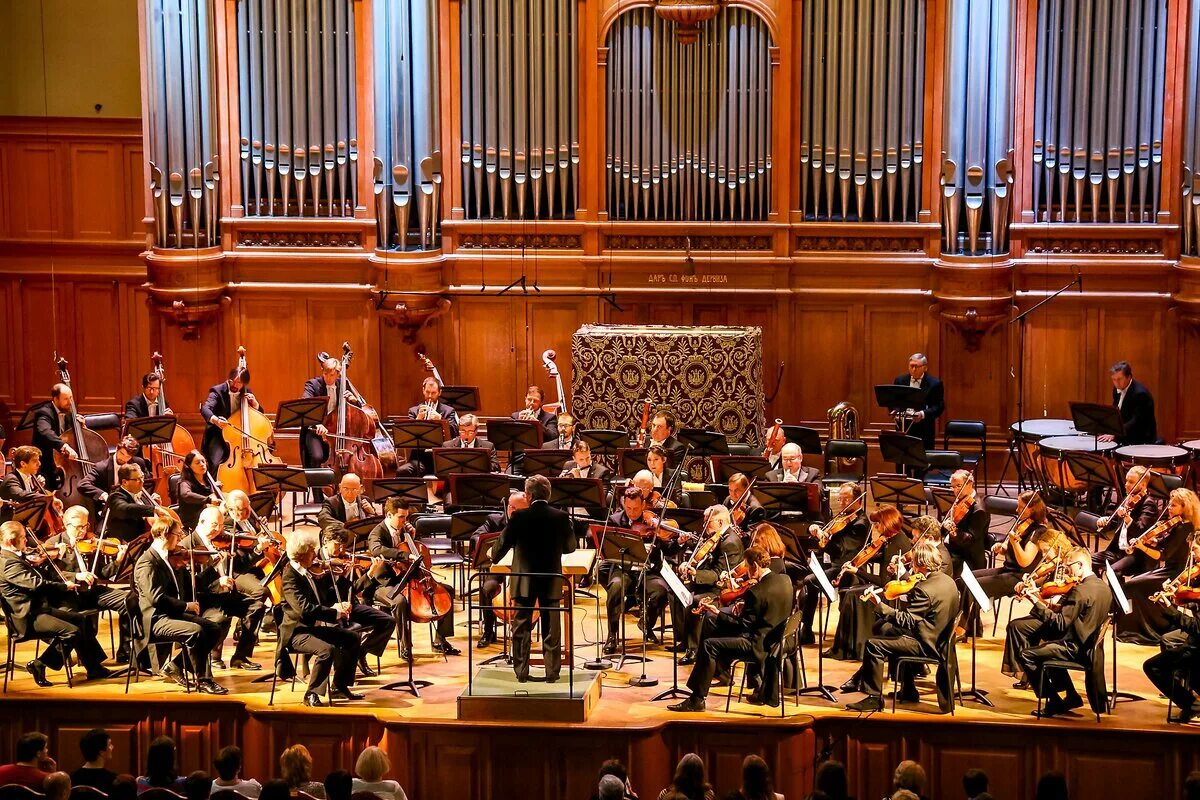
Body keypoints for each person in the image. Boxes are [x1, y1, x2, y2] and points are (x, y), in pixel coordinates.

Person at [668, 546, 792, 712]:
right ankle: (723, 673)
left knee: (708, 645)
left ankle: (697, 699)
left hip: (758, 645)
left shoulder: (755, 592)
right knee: (715, 629)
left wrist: (717, 612)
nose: (747, 571)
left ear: (755, 565)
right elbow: (770, 607)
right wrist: (747, 607)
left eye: (747, 567)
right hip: (776, 640)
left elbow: (742, 627)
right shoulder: (785, 580)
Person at [844, 541, 960, 713]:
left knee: (873, 645)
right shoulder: (948, 581)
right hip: (940, 636)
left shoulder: (925, 589)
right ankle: (908, 690)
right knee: (885, 629)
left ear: (919, 564)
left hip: (927, 643)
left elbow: (907, 620)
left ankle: (874, 698)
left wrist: (880, 605)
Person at [0, 520, 112, 684]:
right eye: (23, 538)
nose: (27, 541)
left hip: (39, 609)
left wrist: (40, 561)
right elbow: (36, 585)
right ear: (11, 541)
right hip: (26, 617)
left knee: (80, 619)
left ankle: (94, 668)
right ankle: (41, 664)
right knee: (71, 631)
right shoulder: (8, 563)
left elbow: (30, 571)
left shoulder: (14, 556)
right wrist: (64, 586)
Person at [489, 474, 577, 682]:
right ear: (549, 494)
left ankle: (521, 672)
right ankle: (552, 673)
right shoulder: (561, 517)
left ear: (527, 496)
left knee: (521, 626)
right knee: (551, 626)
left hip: (524, 578)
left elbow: (501, 546)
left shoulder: (519, 517)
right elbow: (570, 547)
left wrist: (493, 555)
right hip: (551, 578)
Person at [1008, 546, 1112, 717]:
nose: (1067, 571)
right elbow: (1079, 612)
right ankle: (1071, 696)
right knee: (1046, 645)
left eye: (1069, 566)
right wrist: (1048, 604)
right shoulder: (1103, 586)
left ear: (1080, 564)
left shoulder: (1080, 590)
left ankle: (1054, 701)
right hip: (1089, 646)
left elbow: (1060, 625)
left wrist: (1035, 601)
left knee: (1027, 655)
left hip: (1075, 648)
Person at [133, 515, 227, 693]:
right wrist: (186, 606)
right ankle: (204, 679)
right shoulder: (147, 562)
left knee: (213, 629)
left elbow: (193, 584)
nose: (180, 538)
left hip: (171, 613)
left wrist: (212, 566)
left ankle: (175, 665)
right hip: (156, 619)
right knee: (196, 632)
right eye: (177, 534)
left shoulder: (168, 558)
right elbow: (156, 598)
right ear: (164, 535)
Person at [278, 531, 367, 706]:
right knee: (327, 650)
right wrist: (335, 612)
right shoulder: (290, 578)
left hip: (310, 628)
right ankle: (311, 694)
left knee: (351, 638)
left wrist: (338, 600)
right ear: (302, 555)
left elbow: (321, 598)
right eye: (312, 551)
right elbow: (305, 609)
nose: (315, 555)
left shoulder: (307, 572)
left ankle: (339, 686)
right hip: (296, 631)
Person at [366, 497, 458, 657]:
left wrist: (411, 537)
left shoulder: (405, 530)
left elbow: (416, 550)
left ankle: (440, 640)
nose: (404, 521)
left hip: (408, 578)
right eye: (401, 517)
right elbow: (376, 550)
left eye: (406, 517)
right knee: (399, 601)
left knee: (447, 591)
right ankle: (405, 646)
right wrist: (405, 555)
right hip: (384, 582)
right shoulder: (377, 532)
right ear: (388, 515)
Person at [183, 505, 267, 670]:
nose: (219, 530)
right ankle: (203, 659)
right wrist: (218, 582)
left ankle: (240, 657)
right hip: (204, 598)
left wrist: (257, 549)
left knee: (256, 607)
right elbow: (189, 583)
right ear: (201, 522)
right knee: (220, 619)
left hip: (224, 595)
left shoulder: (218, 541)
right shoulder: (188, 546)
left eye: (221, 525)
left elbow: (239, 567)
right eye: (214, 525)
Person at [1117, 488, 1200, 644]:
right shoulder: (1176, 525)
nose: (1169, 508)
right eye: (1169, 504)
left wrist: (1142, 547)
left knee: (1134, 585)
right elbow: (1162, 544)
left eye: (1174, 506)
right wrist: (1151, 541)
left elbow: (1162, 555)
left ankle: (1148, 630)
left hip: (1174, 572)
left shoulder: (1184, 528)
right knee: (1134, 583)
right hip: (1167, 568)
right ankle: (1136, 627)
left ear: (1185, 508)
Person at [675, 506, 746, 664]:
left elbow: (717, 575)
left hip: (721, 588)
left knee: (693, 601)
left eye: (707, 521)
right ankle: (685, 639)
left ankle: (693, 649)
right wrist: (689, 564)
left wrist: (695, 574)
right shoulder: (717, 536)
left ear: (720, 522)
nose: (704, 526)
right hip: (708, 582)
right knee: (676, 592)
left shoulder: (730, 543)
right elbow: (703, 560)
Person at [800, 483, 868, 642]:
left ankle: (807, 630)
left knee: (810, 581)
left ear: (857, 500)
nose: (842, 503)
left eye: (846, 499)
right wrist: (816, 528)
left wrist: (823, 539)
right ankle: (805, 627)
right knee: (803, 576)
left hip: (846, 568)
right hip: (830, 562)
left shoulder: (860, 525)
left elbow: (839, 550)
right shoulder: (842, 516)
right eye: (841, 499)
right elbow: (829, 528)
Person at [468, 491, 529, 647]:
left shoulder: (532, 522)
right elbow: (476, 536)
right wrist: (495, 540)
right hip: (500, 567)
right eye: (512, 508)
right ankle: (489, 631)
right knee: (487, 589)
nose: (514, 512)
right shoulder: (495, 520)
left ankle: (525, 630)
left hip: (524, 569)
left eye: (520, 509)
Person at [1143, 571, 1200, 723]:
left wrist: (1170, 609)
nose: (1193, 549)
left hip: (1197, 649)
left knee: (1152, 667)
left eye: (1196, 546)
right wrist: (1175, 600)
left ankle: (1191, 704)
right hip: (1194, 643)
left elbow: (1197, 628)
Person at [300, 357, 372, 468]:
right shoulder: (313, 385)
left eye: (332, 375)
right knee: (317, 457)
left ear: (338, 374)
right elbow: (305, 404)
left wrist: (354, 401)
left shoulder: (343, 385)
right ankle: (316, 485)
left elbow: (357, 412)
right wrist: (317, 423)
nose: (328, 378)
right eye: (325, 374)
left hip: (337, 432)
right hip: (316, 430)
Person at [1092, 466, 1161, 572]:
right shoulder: (1128, 499)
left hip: (1136, 554)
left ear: (1142, 485)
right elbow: (1115, 521)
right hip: (1118, 551)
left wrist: (1127, 518)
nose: (1126, 485)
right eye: (1126, 481)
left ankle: (1121, 588)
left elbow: (1141, 532)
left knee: (1114, 571)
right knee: (1088, 561)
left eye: (1131, 482)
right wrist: (1104, 521)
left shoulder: (1148, 504)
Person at [200, 365, 261, 477]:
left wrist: (256, 405)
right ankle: (215, 490)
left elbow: (258, 416)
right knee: (216, 462)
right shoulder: (217, 391)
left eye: (240, 383)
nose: (235, 385)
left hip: (239, 436)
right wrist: (216, 420)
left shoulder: (246, 392)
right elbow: (206, 408)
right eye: (233, 381)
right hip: (218, 434)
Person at [397, 378, 460, 476]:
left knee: (454, 472)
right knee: (403, 471)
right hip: (420, 458)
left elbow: (454, 433)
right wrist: (418, 419)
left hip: (441, 458)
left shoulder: (449, 411)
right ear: (423, 391)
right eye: (427, 392)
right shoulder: (413, 411)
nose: (430, 396)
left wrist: (440, 419)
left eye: (433, 393)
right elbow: (407, 437)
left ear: (439, 392)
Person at [31, 384, 82, 490]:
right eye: (66, 399)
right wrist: (64, 446)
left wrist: (82, 426)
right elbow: (45, 432)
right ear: (55, 399)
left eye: (71, 398)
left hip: (64, 463)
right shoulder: (44, 413)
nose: (70, 402)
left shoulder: (69, 412)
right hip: (46, 463)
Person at [79, 436, 150, 512]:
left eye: (128, 456)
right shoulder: (102, 467)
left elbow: (146, 483)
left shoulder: (138, 463)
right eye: (122, 453)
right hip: (112, 510)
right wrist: (105, 496)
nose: (123, 458)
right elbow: (82, 484)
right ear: (117, 449)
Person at [941, 470, 989, 577]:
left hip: (967, 556)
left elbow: (970, 540)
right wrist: (945, 525)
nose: (956, 490)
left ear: (970, 484)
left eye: (959, 486)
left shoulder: (979, 509)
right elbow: (944, 527)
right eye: (953, 487)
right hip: (952, 549)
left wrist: (954, 534)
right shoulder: (959, 500)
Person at [104, 463, 170, 542]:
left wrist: (156, 504)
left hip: (144, 540)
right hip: (127, 544)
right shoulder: (115, 497)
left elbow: (144, 513)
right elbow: (125, 509)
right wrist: (154, 509)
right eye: (137, 479)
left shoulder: (141, 493)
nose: (142, 481)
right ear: (125, 482)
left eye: (142, 477)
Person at [892, 353, 945, 450]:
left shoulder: (935, 383)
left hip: (924, 429)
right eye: (911, 366)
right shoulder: (900, 381)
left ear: (925, 368)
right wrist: (895, 411)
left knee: (922, 462)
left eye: (916, 366)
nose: (913, 369)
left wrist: (922, 414)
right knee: (901, 460)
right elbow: (893, 401)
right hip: (903, 428)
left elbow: (938, 407)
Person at [1098, 361, 1157, 445]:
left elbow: (1136, 421)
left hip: (1140, 437)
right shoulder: (1116, 389)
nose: (1116, 383)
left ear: (1129, 377)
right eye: (1114, 380)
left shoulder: (1140, 394)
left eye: (1119, 379)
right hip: (1124, 432)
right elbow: (1116, 412)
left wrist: (1115, 433)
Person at [0, 446, 61, 524]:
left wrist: (37, 488)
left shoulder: (30, 475)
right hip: (10, 525)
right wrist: (48, 498)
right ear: (23, 464)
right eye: (35, 461)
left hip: (24, 522)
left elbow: (30, 495)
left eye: (38, 460)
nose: (39, 464)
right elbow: (22, 495)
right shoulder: (11, 479)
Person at [317, 473, 380, 542]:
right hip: (341, 539)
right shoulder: (331, 502)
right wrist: (348, 527)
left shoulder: (365, 500)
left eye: (354, 489)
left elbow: (375, 525)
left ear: (360, 489)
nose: (350, 493)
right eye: (346, 489)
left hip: (362, 539)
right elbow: (323, 517)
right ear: (340, 487)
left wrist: (372, 512)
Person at [72, 729, 118, 794]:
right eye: (110, 744)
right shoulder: (113, 780)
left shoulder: (73, 777)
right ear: (101, 752)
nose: (112, 747)